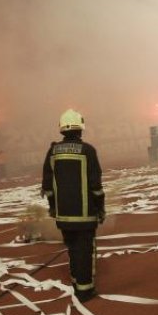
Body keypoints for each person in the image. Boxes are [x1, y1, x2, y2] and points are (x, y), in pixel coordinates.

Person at [41, 109, 105, 302]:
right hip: (85, 215)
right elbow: (96, 186)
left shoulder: (53, 152)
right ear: (80, 128)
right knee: (84, 251)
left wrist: (53, 208)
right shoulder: (88, 150)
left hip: (64, 216)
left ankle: (77, 281)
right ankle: (85, 290)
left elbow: (47, 186)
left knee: (72, 249)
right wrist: (100, 208)